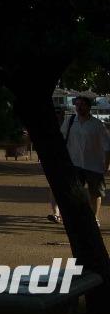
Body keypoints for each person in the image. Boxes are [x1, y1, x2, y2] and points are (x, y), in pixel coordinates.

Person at [48, 93, 110, 225]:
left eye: (82, 105)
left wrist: (107, 164)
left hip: (94, 164)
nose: (79, 107)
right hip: (74, 163)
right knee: (73, 192)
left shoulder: (97, 124)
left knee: (95, 193)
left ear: (89, 107)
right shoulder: (70, 121)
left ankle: (94, 217)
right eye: (77, 104)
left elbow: (107, 146)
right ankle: (72, 216)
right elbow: (62, 138)